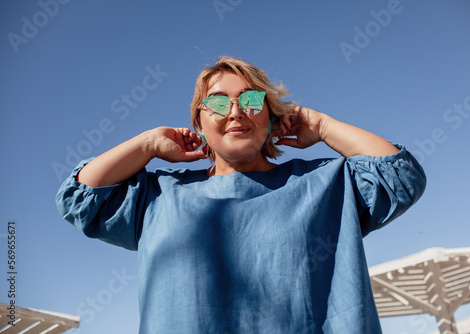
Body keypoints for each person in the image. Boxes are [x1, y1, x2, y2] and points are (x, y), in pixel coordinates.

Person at [56, 56, 426, 333]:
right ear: (198, 122)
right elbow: (80, 197)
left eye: (251, 100)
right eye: (217, 103)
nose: (235, 112)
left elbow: (401, 175)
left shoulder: (327, 183)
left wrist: (323, 126)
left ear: (270, 117)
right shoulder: (158, 194)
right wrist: (148, 143)